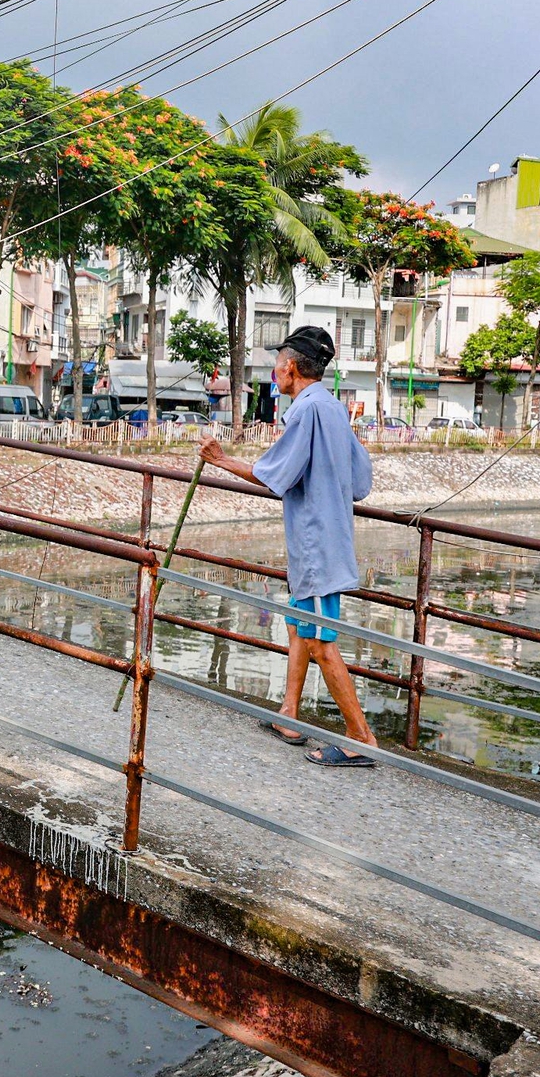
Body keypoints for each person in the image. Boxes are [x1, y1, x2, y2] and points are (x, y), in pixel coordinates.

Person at [198, 326, 377, 767]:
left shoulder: (306, 411)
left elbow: (273, 474)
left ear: (292, 368)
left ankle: (361, 737)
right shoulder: (334, 407)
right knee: (299, 626)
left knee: (320, 641)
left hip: (317, 544)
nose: (274, 373)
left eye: (277, 366)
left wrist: (221, 460)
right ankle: (289, 713)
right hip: (323, 538)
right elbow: (361, 483)